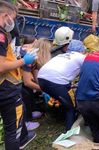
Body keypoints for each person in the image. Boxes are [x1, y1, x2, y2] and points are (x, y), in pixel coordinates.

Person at [0, 1, 37, 149]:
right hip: (6, 89)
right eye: (13, 19)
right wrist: (24, 61)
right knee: (13, 130)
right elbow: (1, 66)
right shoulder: (1, 35)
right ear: (5, 15)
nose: (13, 23)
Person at [38, 40, 86, 131]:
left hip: (41, 79)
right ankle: (69, 132)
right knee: (70, 107)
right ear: (82, 49)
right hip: (57, 82)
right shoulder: (81, 57)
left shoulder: (61, 55)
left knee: (63, 100)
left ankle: (56, 117)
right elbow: (88, 72)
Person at [21, 38, 52, 131]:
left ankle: (29, 113)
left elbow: (35, 75)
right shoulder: (29, 56)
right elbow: (27, 82)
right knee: (23, 93)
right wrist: (43, 89)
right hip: (9, 76)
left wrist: (42, 86)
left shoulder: (35, 56)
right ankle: (25, 122)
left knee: (29, 91)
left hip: (17, 74)